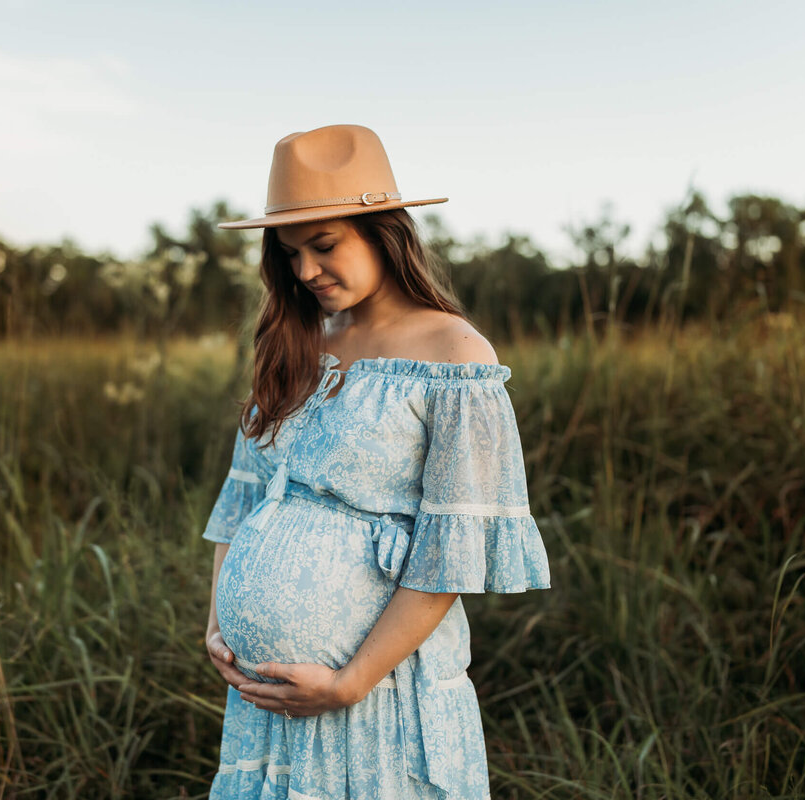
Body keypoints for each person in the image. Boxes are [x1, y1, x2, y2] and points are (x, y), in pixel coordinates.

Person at [201, 124, 551, 799]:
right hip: (265, 696)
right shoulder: (298, 343)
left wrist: (348, 681)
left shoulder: (454, 355)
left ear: (384, 232)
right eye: (291, 253)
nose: (306, 272)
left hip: (375, 694)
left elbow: (449, 549)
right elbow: (244, 497)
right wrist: (219, 622)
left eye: (325, 246)